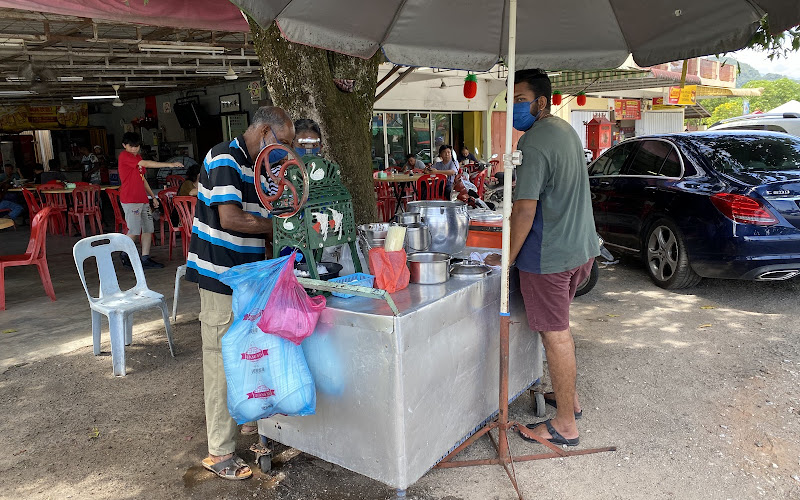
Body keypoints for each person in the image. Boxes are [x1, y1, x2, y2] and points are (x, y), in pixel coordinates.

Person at [485, 69, 599, 447]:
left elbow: (523, 211)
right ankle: (572, 400)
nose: (515, 106)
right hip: (581, 249)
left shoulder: (532, 143)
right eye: (511, 100)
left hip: (550, 256)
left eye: (520, 99)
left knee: (556, 335)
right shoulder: (566, 131)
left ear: (541, 102)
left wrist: (506, 260)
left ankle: (566, 424)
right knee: (560, 328)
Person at [186, 106, 295, 481]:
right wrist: (278, 231)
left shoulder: (259, 167)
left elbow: (277, 208)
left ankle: (246, 421)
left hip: (249, 278)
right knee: (219, 360)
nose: (284, 151)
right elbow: (230, 218)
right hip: (220, 276)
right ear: (264, 130)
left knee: (249, 354)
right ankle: (219, 451)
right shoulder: (224, 158)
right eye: (283, 142)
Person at [117, 132, 183, 269]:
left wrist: (153, 197)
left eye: (136, 146)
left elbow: (143, 179)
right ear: (124, 145)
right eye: (131, 146)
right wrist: (169, 165)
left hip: (142, 199)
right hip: (130, 199)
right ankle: (124, 254)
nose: (134, 149)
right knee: (134, 230)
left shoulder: (138, 157)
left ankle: (145, 258)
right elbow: (147, 163)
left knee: (148, 228)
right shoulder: (125, 156)